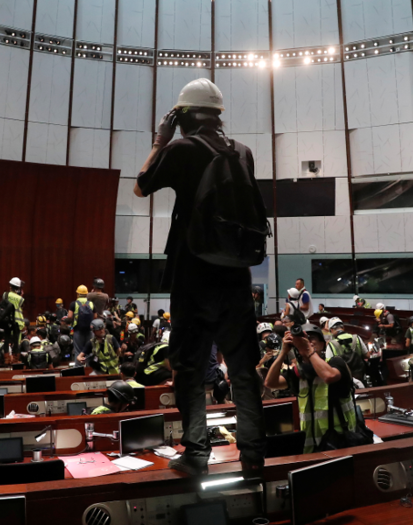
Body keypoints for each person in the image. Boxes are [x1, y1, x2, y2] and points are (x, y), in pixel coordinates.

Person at [134, 77, 266, 476]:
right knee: (243, 371)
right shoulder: (242, 153)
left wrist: (160, 140)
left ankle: (196, 452)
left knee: (189, 368)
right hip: (237, 277)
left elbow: (141, 187)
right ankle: (254, 457)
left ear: (182, 116)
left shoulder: (181, 148)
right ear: (218, 115)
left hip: (193, 277)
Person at [265, 324, 356, 454]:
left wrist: (308, 350)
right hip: (311, 445)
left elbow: (328, 376)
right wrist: (284, 351)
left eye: (311, 338)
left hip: (340, 441)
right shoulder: (299, 373)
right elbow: (270, 382)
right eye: (304, 338)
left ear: (323, 344)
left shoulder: (336, 363)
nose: (307, 341)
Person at [69, 285, 94, 355]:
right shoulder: (91, 303)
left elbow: (70, 316)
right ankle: (89, 365)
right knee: (89, 351)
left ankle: (79, 365)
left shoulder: (74, 304)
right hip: (89, 330)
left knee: (78, 351)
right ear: (86, 294)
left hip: (78, 330)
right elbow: (95, 316)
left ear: (78, 294)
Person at [4, 277, 26, 350]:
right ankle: (16, 358)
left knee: (7, 341)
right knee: (16, 343)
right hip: (17, 322)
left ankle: (7, 358)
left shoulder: (5, 295)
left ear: (10, 286)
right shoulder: (21, 299)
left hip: (7, 321)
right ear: (18, 288)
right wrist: (20, 295)